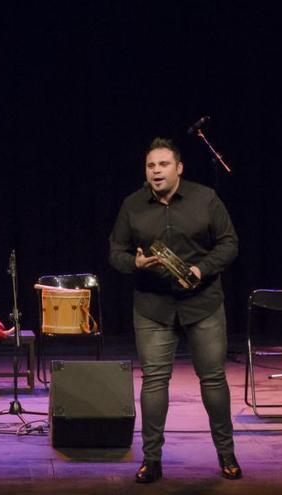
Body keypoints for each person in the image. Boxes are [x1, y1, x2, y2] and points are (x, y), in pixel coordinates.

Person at [108, 138, 241, 483]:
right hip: (154, 307)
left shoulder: (205, 198)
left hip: (203, 304)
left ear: (178, 168)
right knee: (154, 381)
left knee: (212, 379)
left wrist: (202, 269)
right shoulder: (132, 205)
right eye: (151, 166)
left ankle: (226, 455)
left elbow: (229, 243)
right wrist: (134, 263)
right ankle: (152, 460)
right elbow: (115, 252)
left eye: (163, 165)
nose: (156, 171)